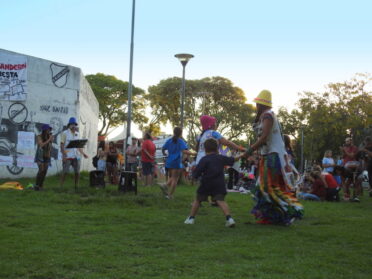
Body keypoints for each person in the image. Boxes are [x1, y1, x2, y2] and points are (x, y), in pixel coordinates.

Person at [247, 90, 304, 225]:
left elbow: (264, 137)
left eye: (257, 103)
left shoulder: (268, 116)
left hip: (274, 157)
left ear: (260, 104)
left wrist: (248, 151)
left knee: (270, 187)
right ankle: (270, 217)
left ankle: (286, 215)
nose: (255, 105)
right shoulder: (265, 116)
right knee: (265, 187)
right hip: (269, 156)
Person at [184, 138, 245, 227]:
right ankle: (229, 219)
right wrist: (243, 154)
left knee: (197, 200)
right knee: (220, 200)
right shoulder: (221, 158)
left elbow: (197, 172)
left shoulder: (204, 159)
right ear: (217, 148)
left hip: (206, 183)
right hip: (219, 183)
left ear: (205, 149)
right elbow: (233, 159)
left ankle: (191, 219)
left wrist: (193, 177)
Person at [160, 127, 195, 199]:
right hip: (176, 161)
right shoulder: (180, 141)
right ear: (181, 133)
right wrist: (194, 154)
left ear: (174, 132)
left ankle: (165, 185)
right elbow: (184, 151)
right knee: (175, 179)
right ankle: (169, 194)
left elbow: (163, 148)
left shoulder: (169, 140)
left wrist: (165, 154)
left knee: (172, 177)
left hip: (169, 161)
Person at [59, 117, 88, 189]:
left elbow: (78, 146)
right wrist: (64, 155)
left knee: (77, 172)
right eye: (72, 124)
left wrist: (83, 153)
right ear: (69, 125)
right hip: (68, 156)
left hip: (76, 156)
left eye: (74, 124)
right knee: (65, 172)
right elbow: (62, 145)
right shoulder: (65, 133)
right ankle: (61, 186)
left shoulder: (77, 134)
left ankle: (76, 186)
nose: (73, 126)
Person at [34, 124, 54, 191]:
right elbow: (41, 145)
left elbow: (49, 147)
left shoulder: (49, 137)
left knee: (45, 171)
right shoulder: (39, 136)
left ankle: (41, 185)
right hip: (40, 156)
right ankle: (37, 185)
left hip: (47, 156)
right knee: (41, 170)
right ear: (44, 130)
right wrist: (49, 140)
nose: (49, 131)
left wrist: (51, 140)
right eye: (48, 129)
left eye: (49, 129)